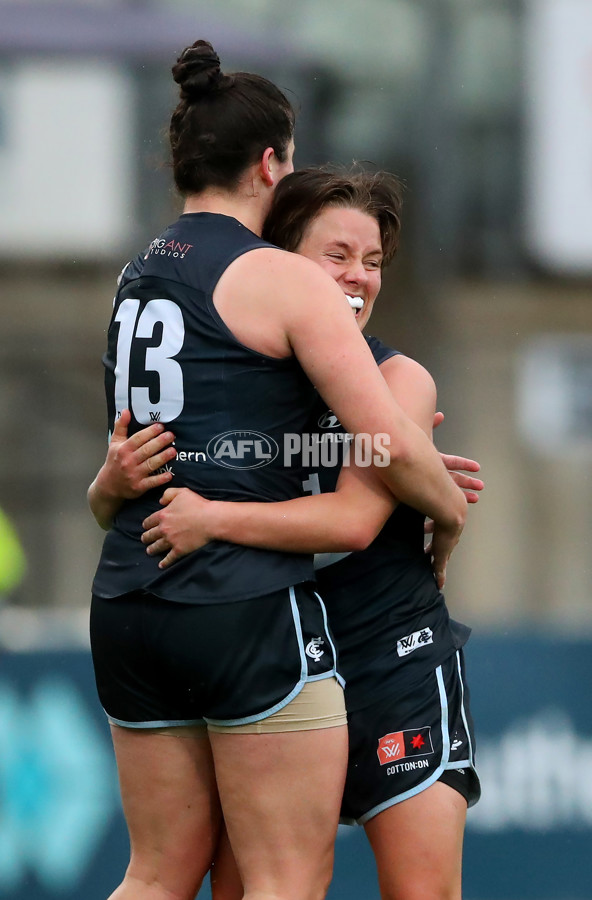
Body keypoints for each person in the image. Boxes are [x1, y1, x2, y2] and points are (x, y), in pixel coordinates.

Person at [87, 41, 468, 900]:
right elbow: (391, 447)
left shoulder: (136, 273)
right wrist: (446, 508)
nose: (353, 277)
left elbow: (140, 457)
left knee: (154, 875)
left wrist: (109, 489)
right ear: (271, 165)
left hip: (127, 596)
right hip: (239, 608)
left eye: (372, 262)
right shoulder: (279, 280)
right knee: (285, 877)